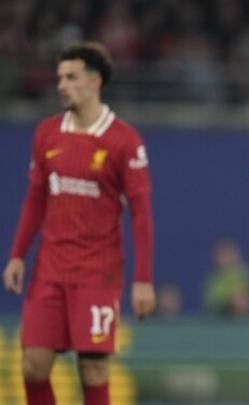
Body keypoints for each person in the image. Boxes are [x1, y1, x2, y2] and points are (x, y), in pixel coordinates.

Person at [2, 41, 156, 405]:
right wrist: (17, 255)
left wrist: (143, 280)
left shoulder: (124, 141)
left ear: (94, 81)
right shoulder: (47, 133)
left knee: (93, 371)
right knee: (33, 366)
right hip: (49, 270)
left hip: (97, 273)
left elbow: (141, 214)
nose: (61, 85)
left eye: (71, 77)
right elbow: (36, 199)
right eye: (59, 78)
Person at [202, 238, 249, 317]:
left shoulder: (246, 274)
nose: (225, 259)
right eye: (222, 256)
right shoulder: (213, 280)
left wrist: (245, 300)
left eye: (228, 255)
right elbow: (211, 303)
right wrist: (230, 301)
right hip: (222, 322)